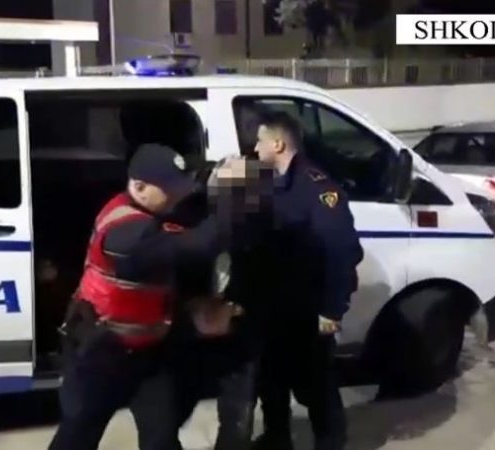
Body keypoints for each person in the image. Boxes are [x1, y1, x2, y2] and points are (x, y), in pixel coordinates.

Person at [48, 143, 235, 450]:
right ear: (139, 187)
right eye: (169, 187)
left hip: (147, 350)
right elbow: (203, 245)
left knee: (161, 436)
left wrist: (213, 173)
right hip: (104, 352)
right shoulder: (130, 235)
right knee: (78, 435)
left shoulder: (140, 208)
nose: (178, 193)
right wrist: (232, 193)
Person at [250, 111, 364, 450]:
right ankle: (277, 439)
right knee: (271, 381)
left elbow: (342, 251)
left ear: (278, 144)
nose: (255, 148)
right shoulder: (270, 182)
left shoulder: (317, 190)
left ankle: (330, 442)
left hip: (308, 309)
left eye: (259, 141)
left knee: (316, 385)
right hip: (275, 306)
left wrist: (332, 309)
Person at [164, 155, 277, 450]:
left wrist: (239, 307)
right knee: (171, 409)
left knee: (237, 412)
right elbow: (170, 265)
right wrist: (190, 308)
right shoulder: (186, 213)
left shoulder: (264, 220)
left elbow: (272, 272)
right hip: (191, 326)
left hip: (240, 327)